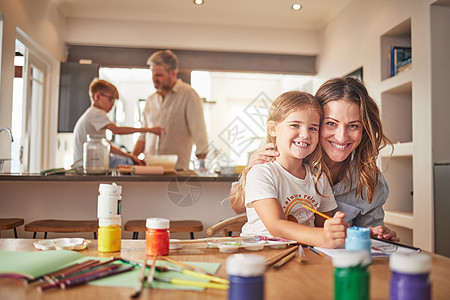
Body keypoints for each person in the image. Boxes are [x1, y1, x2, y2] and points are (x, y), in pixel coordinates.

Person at [231, 77, 399, 241]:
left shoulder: (367, 181)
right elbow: (238, 206)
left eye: (353, 126)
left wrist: (370, 235)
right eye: (331, 123)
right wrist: (250, 171)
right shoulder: (283, 152)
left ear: (365, 131)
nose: (341, 137)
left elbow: (332, 230)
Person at [238, 91, 347, 248]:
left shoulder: (319, 177)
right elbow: (276, 226)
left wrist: (337, 231)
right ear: (273, 129)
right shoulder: (261, 172)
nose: (305, 134)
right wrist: (322, 237)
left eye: (313, 128)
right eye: (295, 125)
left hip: (302, 252)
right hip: (262, 252)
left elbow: (324, 225)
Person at [132, 50, 208, 170]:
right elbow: (143, 137)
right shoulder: (150, 100)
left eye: (159, 75)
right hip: (149, 169)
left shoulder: (188, 94)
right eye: (153, 74)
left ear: (173, 73)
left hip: (176, 171)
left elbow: (199, 132)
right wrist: (131, 158)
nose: (154, 78)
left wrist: (202, 166)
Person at [73, 79, 166, 168]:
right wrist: (149, 130)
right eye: (111, 100)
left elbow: (108, 147)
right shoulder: (97, 113)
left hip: (84, 162)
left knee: (129, 161)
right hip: (87, 164)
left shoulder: (92, 114)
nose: (112, 104)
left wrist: (130, 156)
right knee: (131, 164)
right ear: (97, 96)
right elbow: (117, 130)